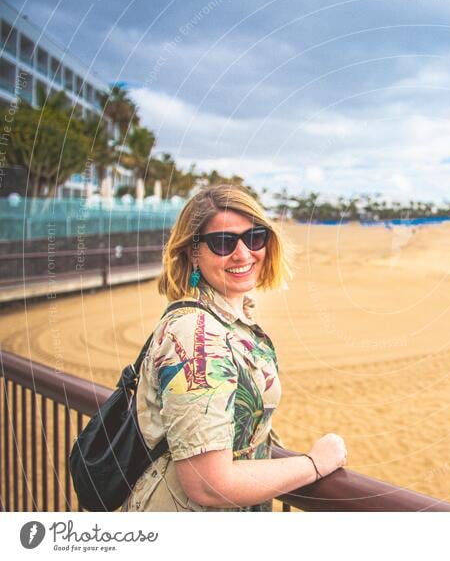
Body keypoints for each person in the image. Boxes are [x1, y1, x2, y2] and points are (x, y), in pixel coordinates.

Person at [122, 185, 347, 511]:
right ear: (193, 252)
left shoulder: (227, 321)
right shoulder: (196, 337)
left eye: (255, 237)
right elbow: (209, 484)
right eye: (224, 242)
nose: (243, 253)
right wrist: (314, 464)